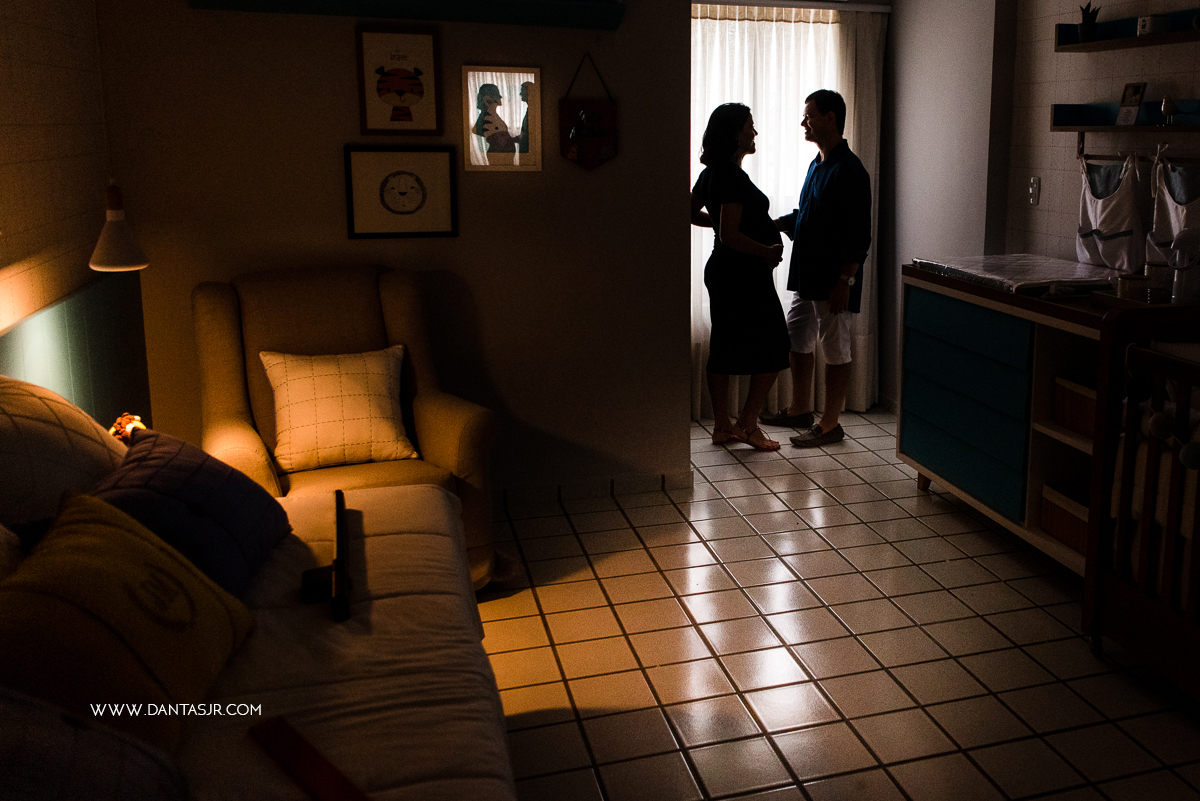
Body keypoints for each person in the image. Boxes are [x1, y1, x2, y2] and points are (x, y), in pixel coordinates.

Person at [764, 89, 871, 448]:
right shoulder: (817, 164)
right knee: (797, 340)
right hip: (806, 277)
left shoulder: (850, 170)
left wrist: (845, 280)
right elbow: (808, 218)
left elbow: (859, 235)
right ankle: (799, 408)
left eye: (809, 115)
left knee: (835, 348)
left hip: (833, 281)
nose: (803, 122)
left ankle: (829, 423)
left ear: (830, 118)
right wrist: (777, 223)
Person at [690, 103, 790, 451]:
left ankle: (722, 427)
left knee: (723, 345)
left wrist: (720, 224)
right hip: (741, 274)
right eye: (750, 125)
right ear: (735, 133)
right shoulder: (731, 177)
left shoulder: (712, 172)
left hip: (724, 272)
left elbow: (691, 213)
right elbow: (731, 235)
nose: (755, 132)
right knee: (776, 344)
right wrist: (765, 250)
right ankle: (747, 424)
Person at [473, 84, 515, 162]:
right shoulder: (487, 116)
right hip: (500, 156)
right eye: (497, 95)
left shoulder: (492, 115)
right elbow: (477, 130)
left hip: (502, 156)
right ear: (488, 99)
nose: (500, 98)